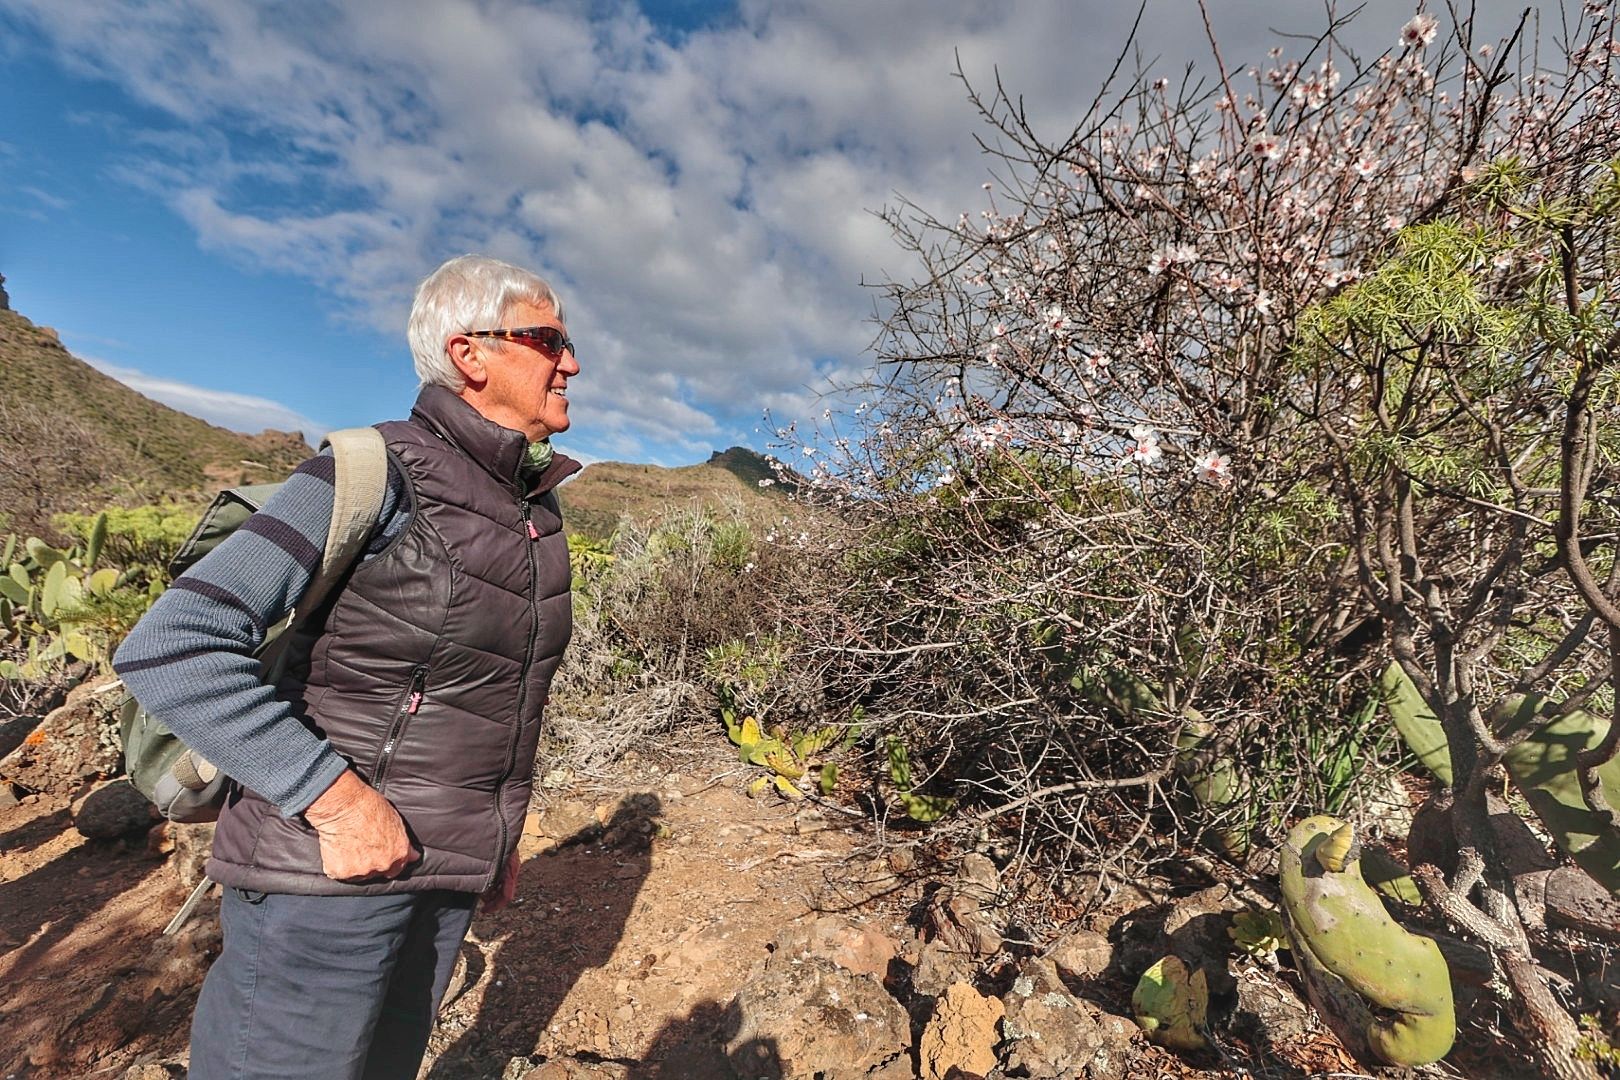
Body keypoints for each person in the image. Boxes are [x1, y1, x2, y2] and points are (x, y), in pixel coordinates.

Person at [113, 254, 582, 1079]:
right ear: (469, 353)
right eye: (549, 340)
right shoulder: (374, 473)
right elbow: (174, 642)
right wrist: (336, 805)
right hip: (322, 881)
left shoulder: (534, 515)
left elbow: (491, 699)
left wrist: (497, 837)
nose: (571, 363)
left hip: (440, 874)